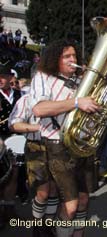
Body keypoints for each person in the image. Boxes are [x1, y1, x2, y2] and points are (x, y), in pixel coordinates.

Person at [30, 39, 100, 237]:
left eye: (74, 56)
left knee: (84, 200)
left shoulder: (81, 81)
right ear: (55, 59)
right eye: (66, 56)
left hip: (82, 144)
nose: (72, 60)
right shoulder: (43, 77)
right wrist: (77, 102)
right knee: (71, 206)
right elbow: (39, 108)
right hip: (57, 144)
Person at [8, 93, 59, 237]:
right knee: (43, 191)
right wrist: (38, 128)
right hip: (36, 146)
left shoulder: (59, 96)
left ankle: (48, 226)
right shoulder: (26, 99)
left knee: (54, 189)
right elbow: (13, 124)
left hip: (58, 148)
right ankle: (37, 226)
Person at [0, 64, 22, 228]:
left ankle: (9, 207)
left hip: (15, 136)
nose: (1, 80)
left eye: (3, 76)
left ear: (10, 78)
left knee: (13, 172)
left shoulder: (19, 94)